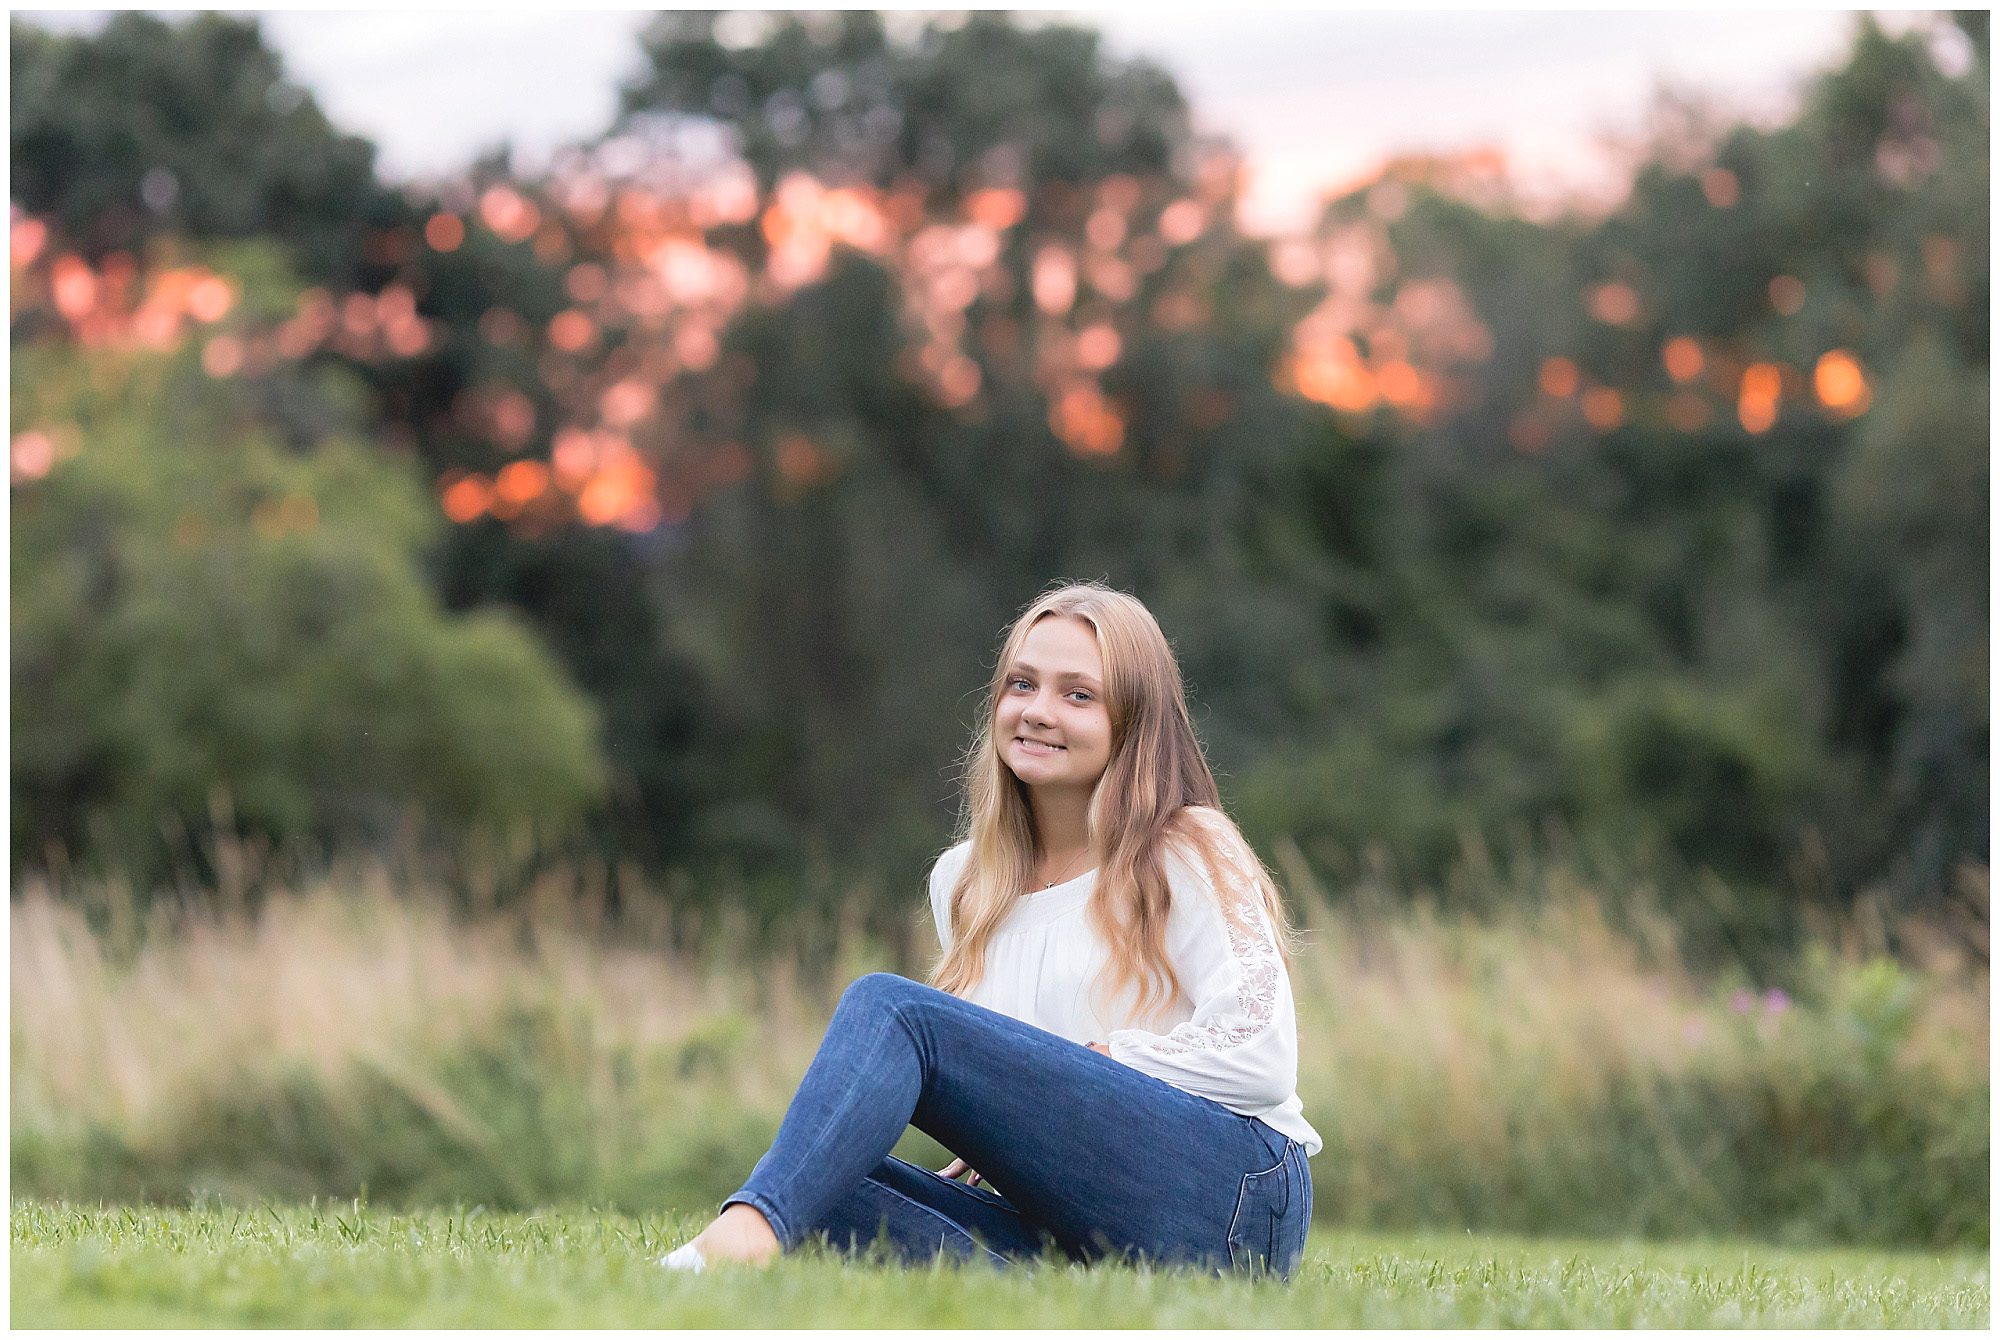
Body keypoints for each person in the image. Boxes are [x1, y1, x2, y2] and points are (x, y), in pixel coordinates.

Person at [661, 582, 1319, 1278]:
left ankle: (733, 1248)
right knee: (817, 1177)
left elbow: (1262, 1053)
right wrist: (1020, 1123)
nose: (1037, 712)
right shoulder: (967, 881)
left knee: (895, 1010)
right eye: (1021, 684)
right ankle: (1039, 1288)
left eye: (1078, 695)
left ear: (1134, 722)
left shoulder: (1184, 847)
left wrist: (1102, 1065)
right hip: (1073, 1217)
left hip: (1234, 1199)